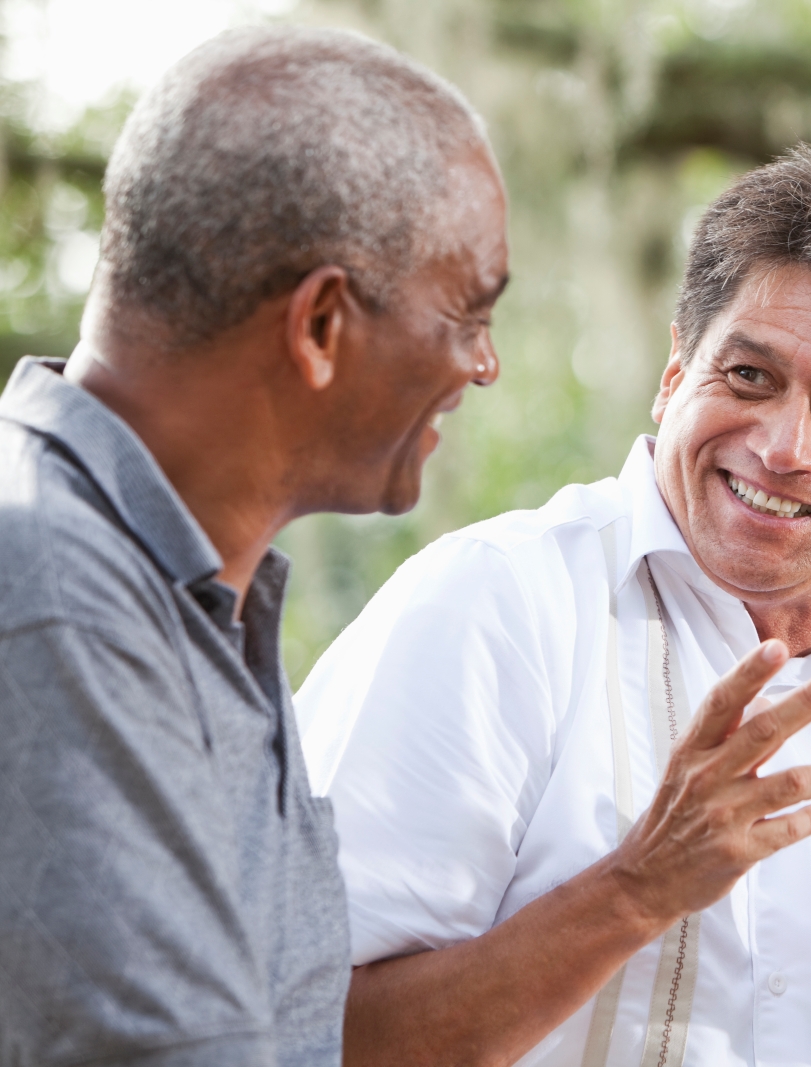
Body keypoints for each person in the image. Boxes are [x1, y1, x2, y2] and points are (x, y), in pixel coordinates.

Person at [294, 142, 811, 1067]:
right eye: (750, 376)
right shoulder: (496, 606)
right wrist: (634, 890)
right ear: (675, 370)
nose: (782, 447)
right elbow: (297, 1033)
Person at [0, 27, 508, 1066]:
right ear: (321, 323)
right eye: (468, 312)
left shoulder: (187, 594)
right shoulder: (54, 595)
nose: (485, 364)